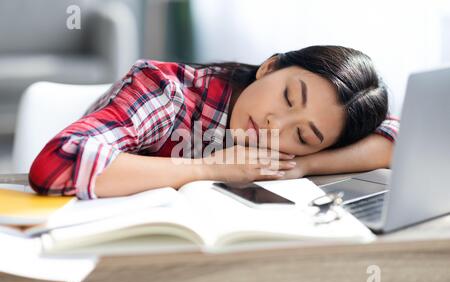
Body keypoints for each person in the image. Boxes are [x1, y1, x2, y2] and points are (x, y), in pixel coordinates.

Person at [29, 45, 400, 200]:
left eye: (302, 135)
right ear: (270, 66)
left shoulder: (299, 153)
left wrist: (305, 164)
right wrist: (208, 166)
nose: (275, 124)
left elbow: (398, 138)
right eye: (288, 97)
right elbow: (58, 164)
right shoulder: (167, 91)